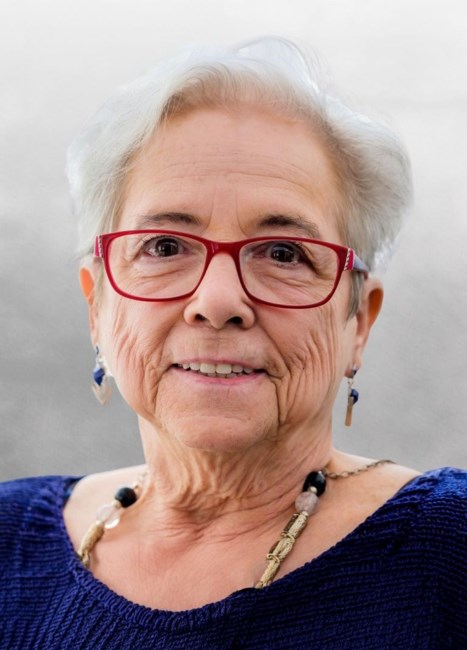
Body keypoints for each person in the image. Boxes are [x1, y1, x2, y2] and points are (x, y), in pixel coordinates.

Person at [0, 37, 465, 649]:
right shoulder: (8, 538)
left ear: (358, 321)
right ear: (97, 307)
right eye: (164, 246)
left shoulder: (448, 553)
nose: (218, 301)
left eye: (283, 253)